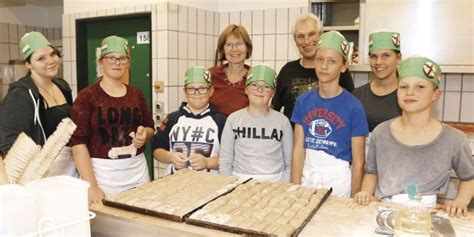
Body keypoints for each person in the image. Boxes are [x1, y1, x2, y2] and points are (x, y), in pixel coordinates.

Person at [353, 57, 474, 217]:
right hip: (383, 210)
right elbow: (372, 173)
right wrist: (365, 194)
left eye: (420, 87)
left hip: (427, 216)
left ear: (435, 94)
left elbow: (469, 177)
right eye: (403, 86)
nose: (410, 92)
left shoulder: (454, 139)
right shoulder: (381, 133)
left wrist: (460, 201)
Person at [69, 35, 155, 205]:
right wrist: (91, 186)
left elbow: (150, 127)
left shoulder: (136, 94)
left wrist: (144, 134)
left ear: (128, 63)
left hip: (137, 172)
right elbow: (78, 143)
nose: (117, 62)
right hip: (102, 176)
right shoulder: (87, 97)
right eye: (111, 57)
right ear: (101, 62)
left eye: (122, 58)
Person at [291, 31, 368, 197]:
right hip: (308, 179)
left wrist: (353, 199)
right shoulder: (303, 101)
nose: (324, 66)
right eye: (320, 59)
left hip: (338, 184)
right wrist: (294, 188)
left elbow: (358, 161)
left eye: (332, 61)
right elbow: (298, 149)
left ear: (343, 66)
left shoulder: (354, 107)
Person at [273, 13, 355, 123]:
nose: (306, 41)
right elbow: (274, 109)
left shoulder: (338, 71)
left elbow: (351, 109)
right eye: (301, 36)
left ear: (321, 36)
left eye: (311, 34)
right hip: (294, 138)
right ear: (295, 41)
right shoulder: (287, 71)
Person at [0, 31, 72, 156]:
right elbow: (10, 144)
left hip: (67, 163)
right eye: (41, 58)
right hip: (40, 169)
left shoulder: (62, 86)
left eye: (52, 54)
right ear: (28, 64)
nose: (51, 61)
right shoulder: (20, 95)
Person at [219, 64, 293, 182]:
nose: (260, 90)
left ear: (273, 93)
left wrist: (281, 186)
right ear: (246, 90)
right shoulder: (233, 119)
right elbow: (225, 161)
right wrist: (229, 186)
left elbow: (290, 162)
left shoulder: (282, 122)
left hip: (275, 182)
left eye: (266, 86)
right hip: (239, 181)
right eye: (254, 85)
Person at [152, 66, 226, 174]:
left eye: (202, 88)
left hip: (209, 184)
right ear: (185, 92)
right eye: (191, 89)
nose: (197, 93)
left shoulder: (222, 121)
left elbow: (230, 158)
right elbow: (156, 150)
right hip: (174, 183)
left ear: (211, 91)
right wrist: (171, 157)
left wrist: (207, 162)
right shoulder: (172, 119)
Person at [353, 31, 402, 132]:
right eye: (373, 56)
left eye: (386, 56)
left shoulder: (407, 95)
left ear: (398, 58)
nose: (378, 62)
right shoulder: (358, 95)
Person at [209, 24, 252, 116]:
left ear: (247, 47)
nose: (234, 49)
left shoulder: (255, 77)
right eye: (229, 45)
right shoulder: (210, 74)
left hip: (242, 129)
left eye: (239, 44)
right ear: (223, 49)